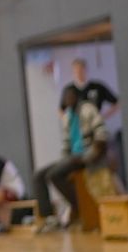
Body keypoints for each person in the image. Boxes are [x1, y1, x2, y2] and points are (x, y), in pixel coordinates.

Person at [34, 85, 108, 233]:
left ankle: (78, 205)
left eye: (70, 96)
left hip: (86, 156)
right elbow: (66, 144)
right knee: (39, 175)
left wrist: (90, 156)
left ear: (77, 96)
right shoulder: (67, 117)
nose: (68, 99)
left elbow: (101, 135)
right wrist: (63, 160)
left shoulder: (88, 109)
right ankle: (49, 217)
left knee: (53, 175)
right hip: (72, 157)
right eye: (65, 96)